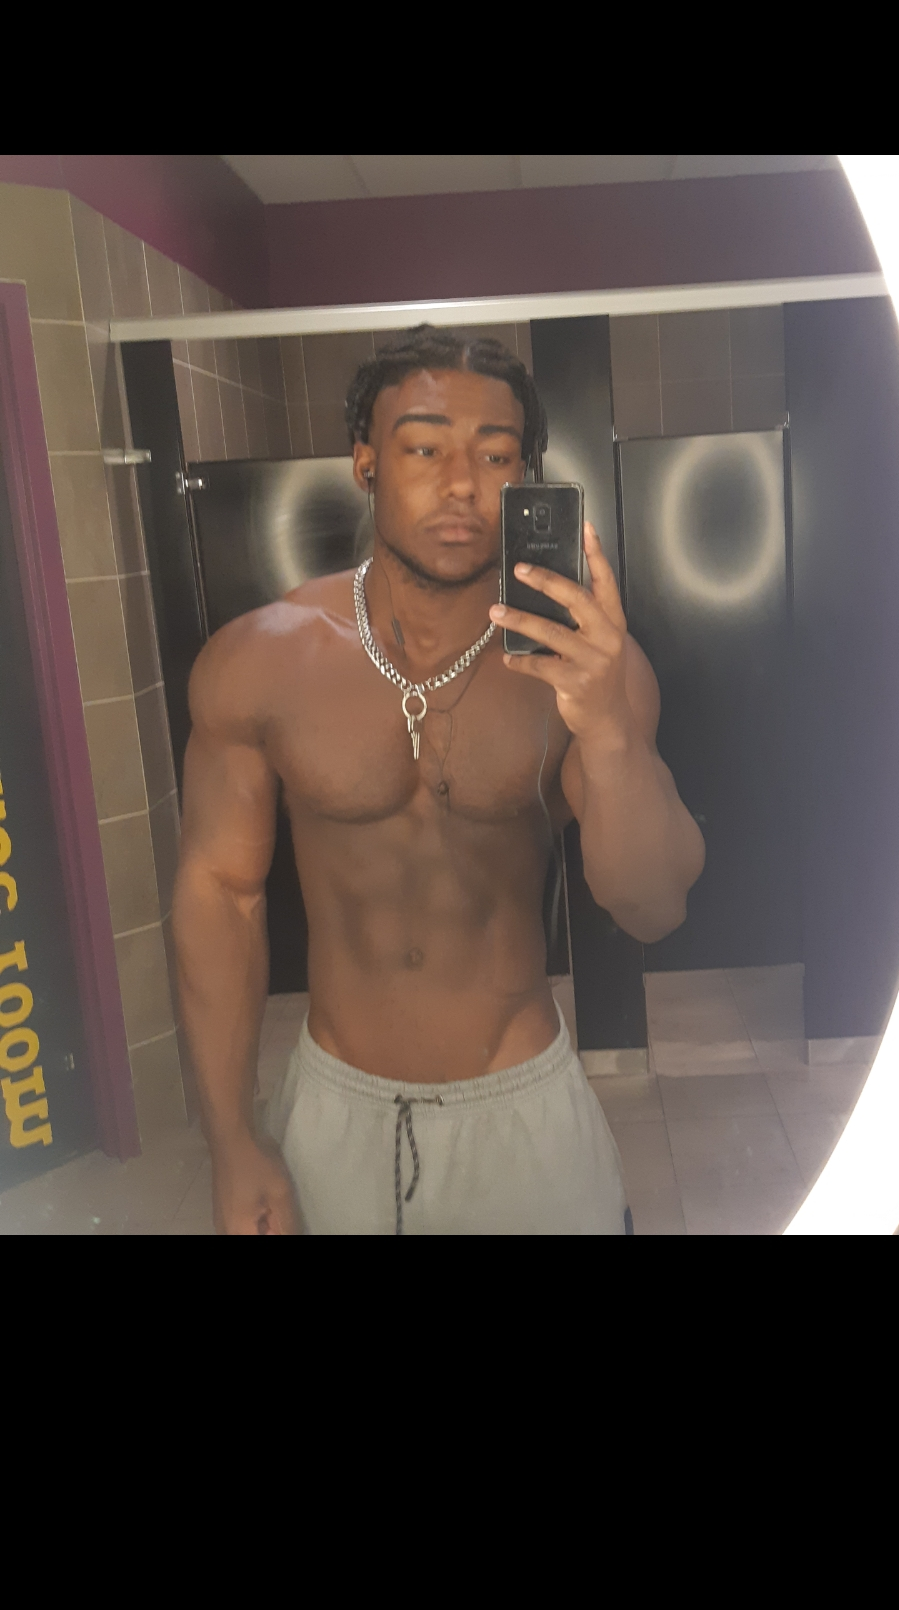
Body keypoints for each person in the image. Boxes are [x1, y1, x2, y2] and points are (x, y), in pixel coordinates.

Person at [172, 325, 705, 1234]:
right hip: (331, 1112)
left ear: (526, 475)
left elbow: (653, 905)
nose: (461, 484)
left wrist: (609, 728)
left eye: (495, 455)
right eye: (424, 449)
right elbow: (221, 895)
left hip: (522, 1107)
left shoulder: (587, 668)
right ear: (366, 463)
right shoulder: (263, 660)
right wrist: (231, 1141)